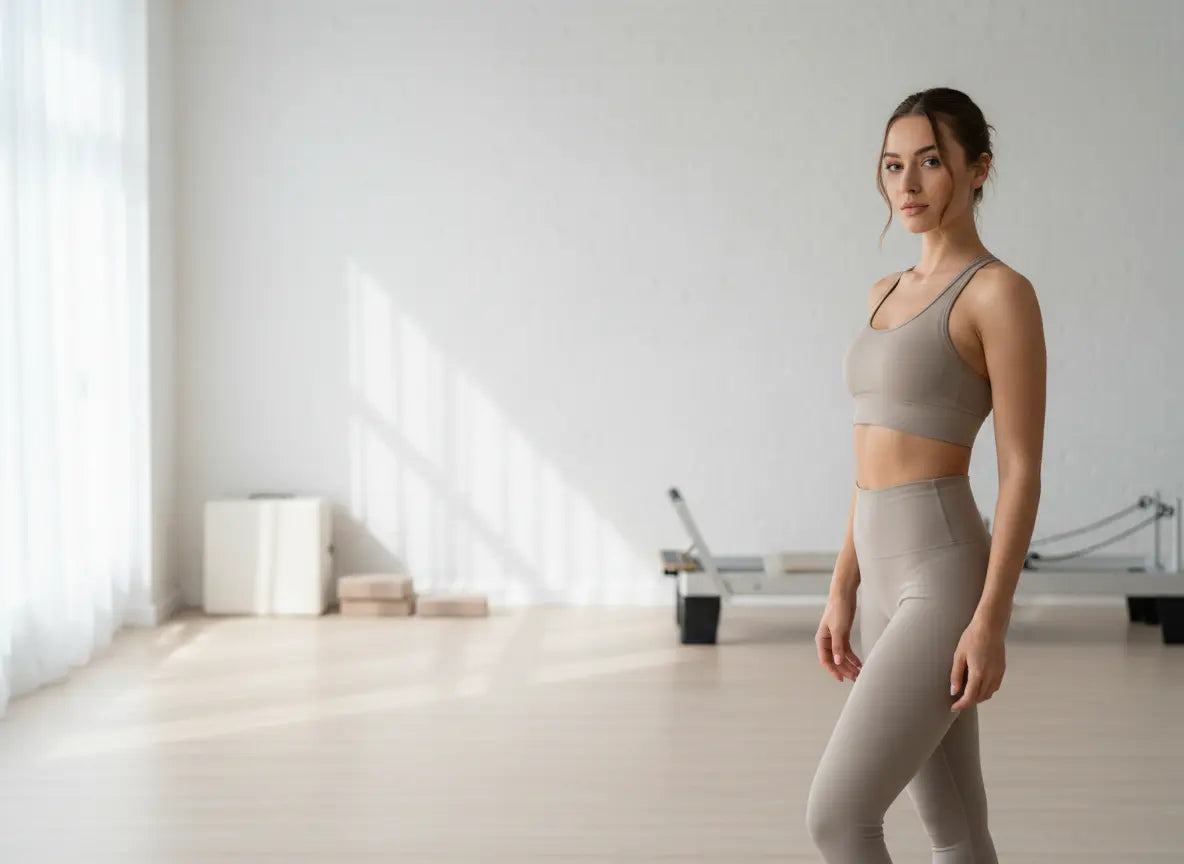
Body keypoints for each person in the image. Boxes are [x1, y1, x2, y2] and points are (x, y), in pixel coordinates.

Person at [805, 87, 1046, 864]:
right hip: (879, 573)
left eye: (930, 162)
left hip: (943, 576)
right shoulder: (881, 293)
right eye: (892, 165)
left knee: (839, 817)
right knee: (955, 827)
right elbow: (867, 460)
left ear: (979, 169)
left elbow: (1021, 471)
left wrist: (991, 619)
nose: (906, 184)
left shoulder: (998, 293)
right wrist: (842, 585)